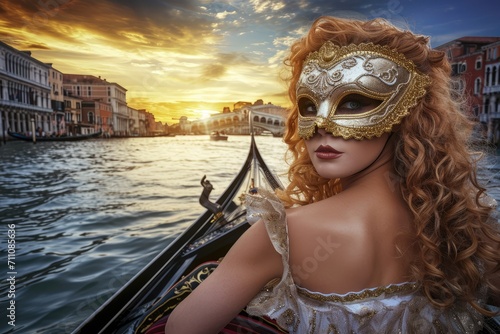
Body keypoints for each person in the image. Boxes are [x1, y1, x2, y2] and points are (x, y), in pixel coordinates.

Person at [165, 16, 500, 333]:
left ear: (407, 113)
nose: (322, 125)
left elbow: (181, 328)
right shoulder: (467, 229)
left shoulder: (282, 235)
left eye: (354, 102)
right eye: (309, 106)